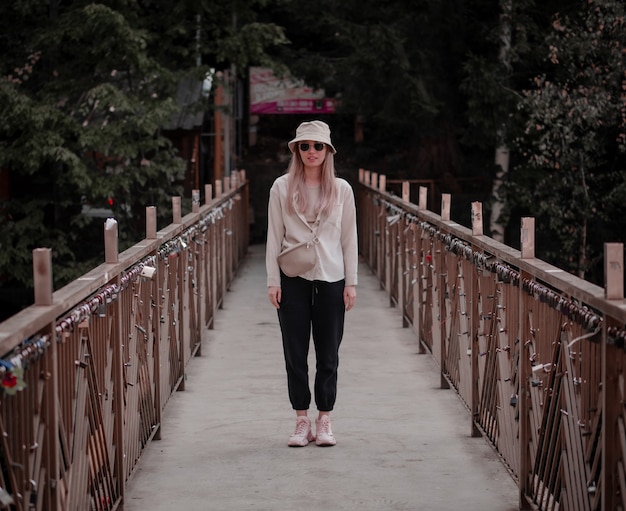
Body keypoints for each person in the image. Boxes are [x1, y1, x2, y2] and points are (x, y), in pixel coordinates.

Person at [266, 120, 358, 447]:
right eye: (304, 146)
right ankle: (301, 420)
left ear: (328, 150)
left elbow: (349, 239)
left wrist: (352, 283)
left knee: (328, 353)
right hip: (293, 278)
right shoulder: (281, 187)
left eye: (318, 146)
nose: (311, 152)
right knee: (294, 352)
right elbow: (273, 237)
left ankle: (325, 419)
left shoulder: (342, 190)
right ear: (296, 150)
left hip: (332, 279)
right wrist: (272, 281)